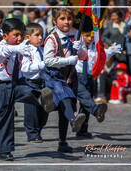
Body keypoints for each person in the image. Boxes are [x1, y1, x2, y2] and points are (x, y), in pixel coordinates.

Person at [0, 18, 48, 161]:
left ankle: (44, 99)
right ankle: (4, 150)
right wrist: (17, 48)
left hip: (17, 83)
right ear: (5, 36)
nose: (19, 38)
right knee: (6, 118)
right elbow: (3, 51)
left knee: (33, 93)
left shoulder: (19, 45)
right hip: (3, 86)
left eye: (21, 35)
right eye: (15, 35)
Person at [43, 8, 87, 153]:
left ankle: (62, 141)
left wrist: (79, 50)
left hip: (70, 76)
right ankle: (72, 119)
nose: (66, 22)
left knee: (66, 106)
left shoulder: (76, 35)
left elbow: (83, 56)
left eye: (69, 18)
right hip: (55, 75)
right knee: (64, 97)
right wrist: (68, 59)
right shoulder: (51, 38)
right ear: (55, 21)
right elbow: (48, 60)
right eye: (62, 19)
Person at [75, 22, 122, 138]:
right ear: (81, 36)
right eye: (87, 36)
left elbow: (101, 56)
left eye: (91, 36)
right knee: (85, 97)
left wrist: (111, 51)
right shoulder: (77, 45)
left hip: (90, 76)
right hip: (77, 75)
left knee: (85, 104)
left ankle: (82, 130)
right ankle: (96, 110)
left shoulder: (95, 46)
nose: (89, 38)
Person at [20, 23, 48, 143]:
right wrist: (41, 65)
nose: (41, 37)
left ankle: (39, 129)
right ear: (28, 37)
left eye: (42, 35)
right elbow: (25, 67)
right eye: (37, 35)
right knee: (31, 110)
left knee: (45, 108)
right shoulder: (26, 51)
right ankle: (32, 133)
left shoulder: (43, 49)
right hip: (30, 83)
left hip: (43, 82)